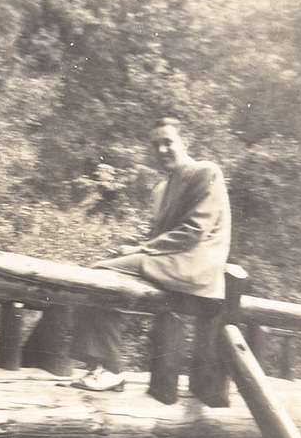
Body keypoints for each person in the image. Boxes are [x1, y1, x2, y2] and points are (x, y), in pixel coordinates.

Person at [68, 116, 231, 391]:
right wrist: (138, 249)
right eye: (155, 144)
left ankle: (111, 368)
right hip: (171, 261)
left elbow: (194, 230)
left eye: (168, 142)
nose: (162, 150)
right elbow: (159, 236)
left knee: (100, 273)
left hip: (196, 264)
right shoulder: (161, 189)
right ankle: (101, 367)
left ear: (185, 143)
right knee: (100, 274)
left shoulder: (205, 171)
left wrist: (141, 250)